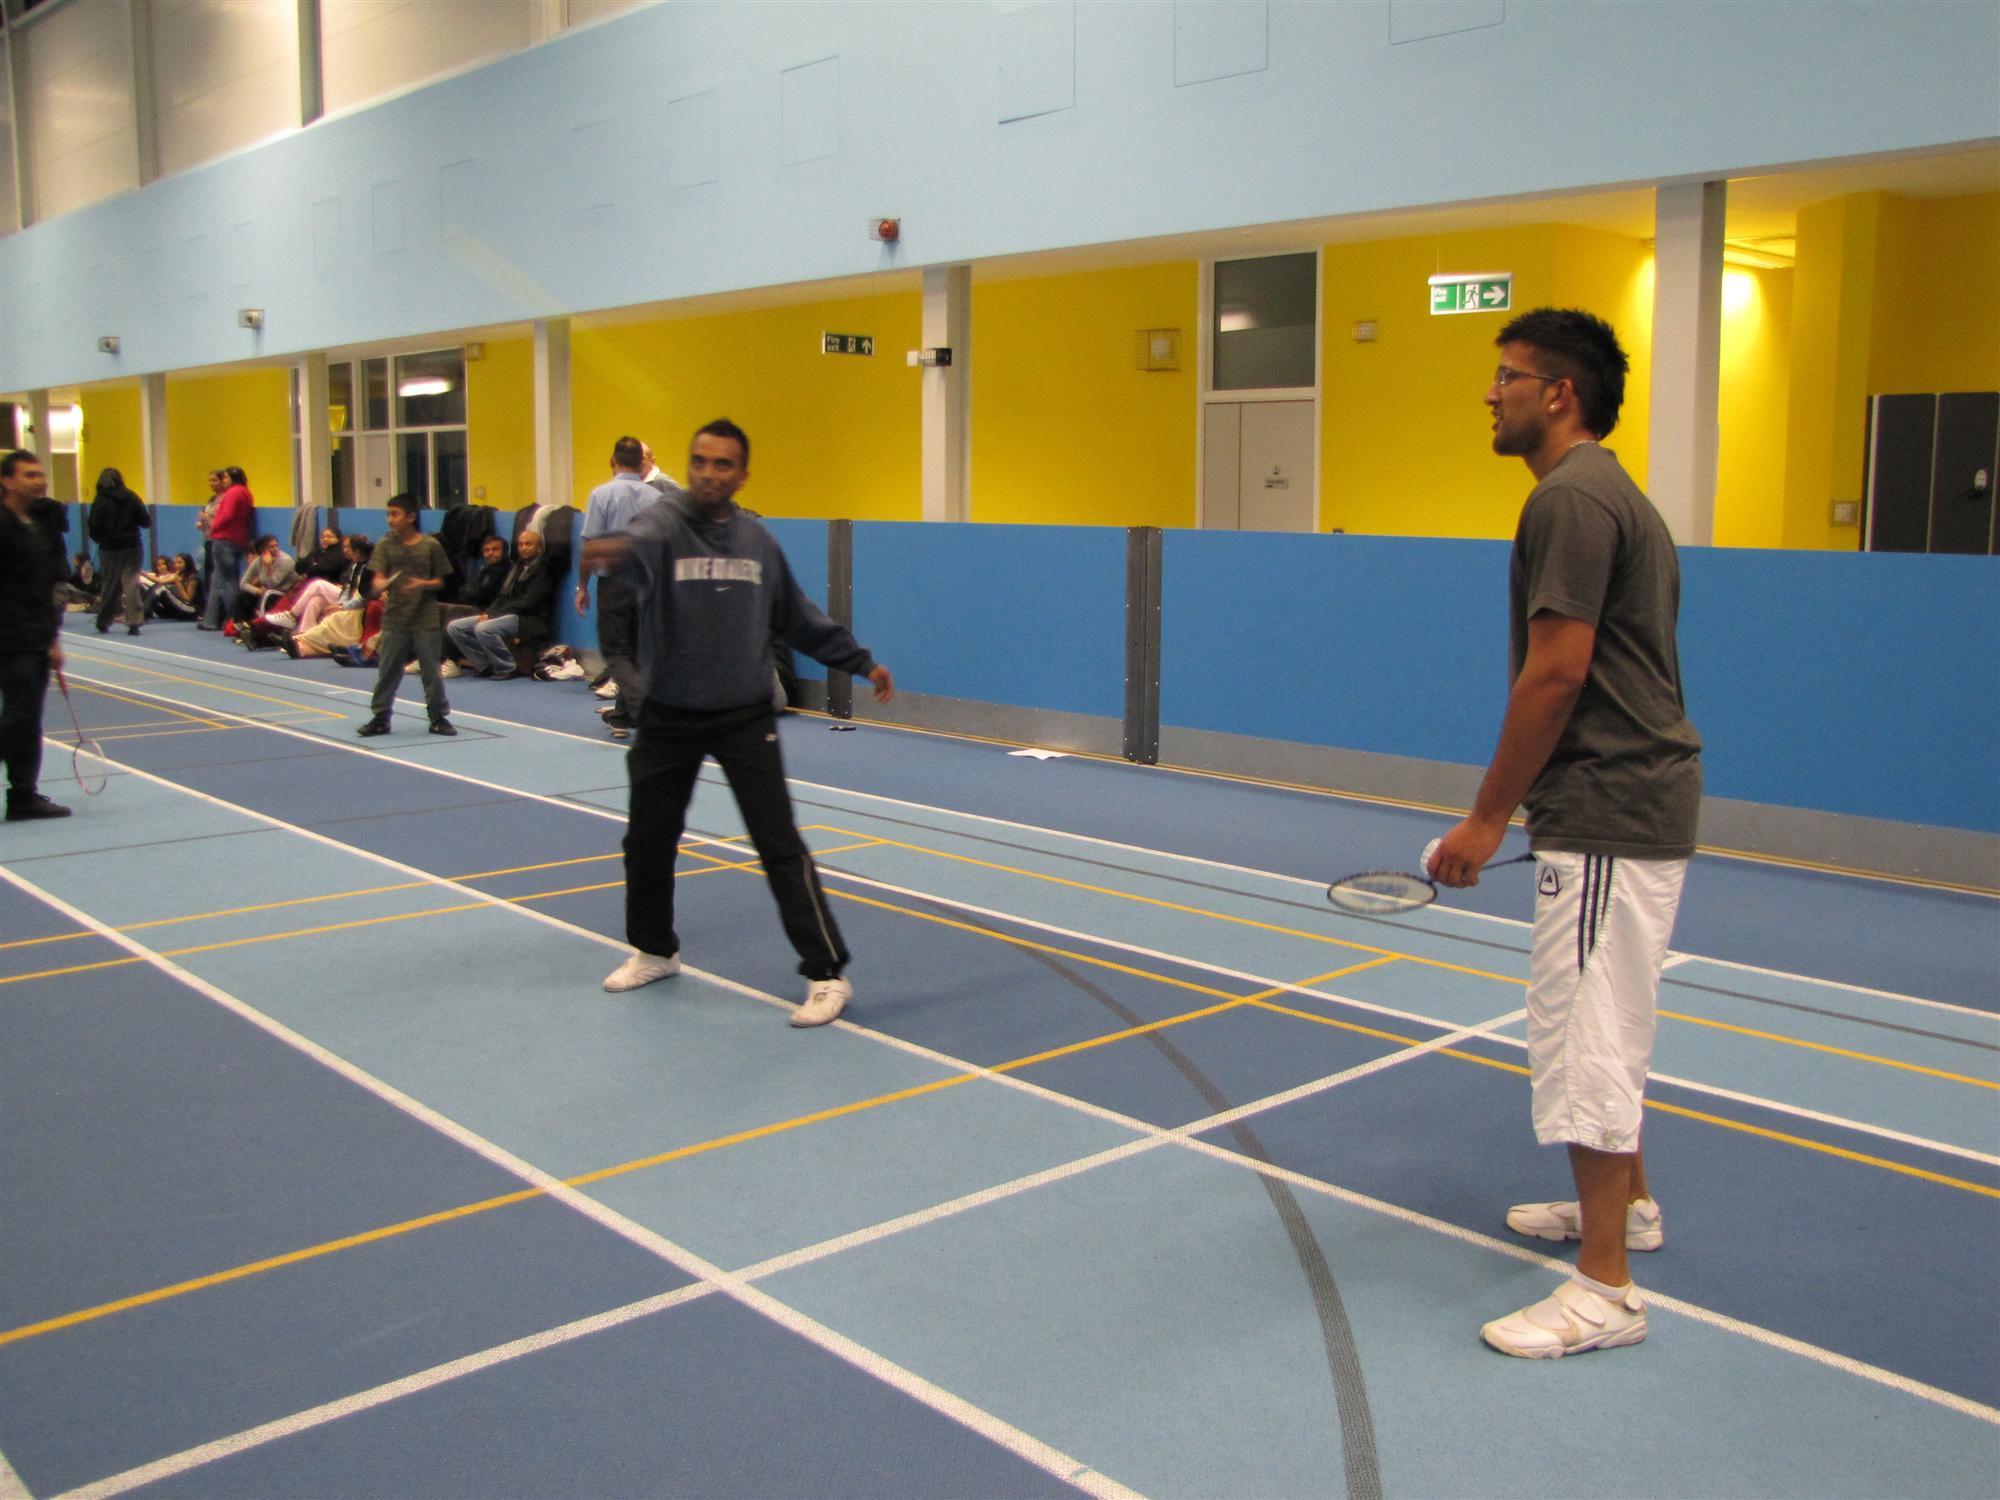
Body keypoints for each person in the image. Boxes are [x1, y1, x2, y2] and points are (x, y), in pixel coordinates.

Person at [1425, 308, 1702, 1360]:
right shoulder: (1604, 494)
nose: (1489, 393)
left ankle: (1604, 1290)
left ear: (1559, 396)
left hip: (1606, 812)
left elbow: (1556, 671)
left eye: (1506, 377)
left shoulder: (1571, 501)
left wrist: (1485, 817)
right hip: (1627, 808)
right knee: (1611, 1021)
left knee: (1584, 1036)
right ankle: (1623, 1211)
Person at [588, 419, 894, 1028]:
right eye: (699, 461)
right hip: (670, 715)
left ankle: (827, 973)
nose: (708, 473)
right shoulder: (663, 524)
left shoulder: (758, 541)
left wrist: (857, 661)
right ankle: (654, 949)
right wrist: (615, 552)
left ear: (742, 474)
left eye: (722, 464)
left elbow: (799, 618)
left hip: (743, 714)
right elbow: (635, 547)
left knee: (778, 845)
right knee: (647, 841)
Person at [577, 436, 667, 740]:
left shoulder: (601, 495)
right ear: (642, 463)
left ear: (613, 461)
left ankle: (640, 712)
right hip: (648, 583)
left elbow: (591, 544)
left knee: (616, 650)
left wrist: (582, 586)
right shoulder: (656, 498)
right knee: (639, 649)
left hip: (614, 581)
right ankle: (624, 714)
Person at [1, 450, 71, 822]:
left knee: (28, 719)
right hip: (10, 638)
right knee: (18, 717)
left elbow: (40, 588)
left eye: (40, 474)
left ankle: (23, 796)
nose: (39, 480)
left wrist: (53, 639)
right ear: (7, 480)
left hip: (34, 636)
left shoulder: (36, 524)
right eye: (29, 475)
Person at [357, 496, 455, 737]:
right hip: (395, 618)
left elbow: (442, 581)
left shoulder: (431, 545)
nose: (390, 519)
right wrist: (380, 584)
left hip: (425, 618)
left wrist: (423, 584)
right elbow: (378, 576)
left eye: (395, 514)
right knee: (388, 670)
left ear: (411, 516)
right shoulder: (385, 544)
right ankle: (381, 717)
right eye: (388, 514)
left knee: (431, 671)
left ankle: (438, 717)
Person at [445, 528, 554, 679]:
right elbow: (502, 597)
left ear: (539, 548)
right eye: (521, 544)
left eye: (528, 544)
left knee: (484, 628)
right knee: (455, 627)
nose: (523, 548)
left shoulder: (544, 571)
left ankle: (507, 667)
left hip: (529, 619)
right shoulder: (517, 568)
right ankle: (485, 665)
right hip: (505, 615)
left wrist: (493, 615)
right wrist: (487, 613)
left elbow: (528, 603)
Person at [88, 467, 151, 636]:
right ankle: (134, 622)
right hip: (132, 544)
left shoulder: (100, 500)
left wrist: (101, 539)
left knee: (110, 583)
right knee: (131, 582)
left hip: (109, 548)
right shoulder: (131, 496)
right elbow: (145, 521)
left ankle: (104, 621)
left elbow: (93, 525)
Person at [200, 466, 255, 630]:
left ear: (231, 478)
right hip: (239, 539)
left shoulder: (233, 493)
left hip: (224, 539)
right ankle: (210, 620)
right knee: (217, 580)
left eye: (224, 478)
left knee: (227, 582)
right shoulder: (246, 493)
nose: (223, 481)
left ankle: (234, 618)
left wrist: (214, 524)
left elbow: (228, 514)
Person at [232, 534, 297, 626]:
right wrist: (257, 591)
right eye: (271, 547)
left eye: (276, 545)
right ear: (263, 550)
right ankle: (241, 626)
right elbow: (243, 583)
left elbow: (273, 584)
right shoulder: (259, 561)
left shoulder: (286, 561)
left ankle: (260, 626)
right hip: (266, 592)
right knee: (243, 595)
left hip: (283, 593)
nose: (275, 549)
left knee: (268, 593)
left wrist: (268, 567)